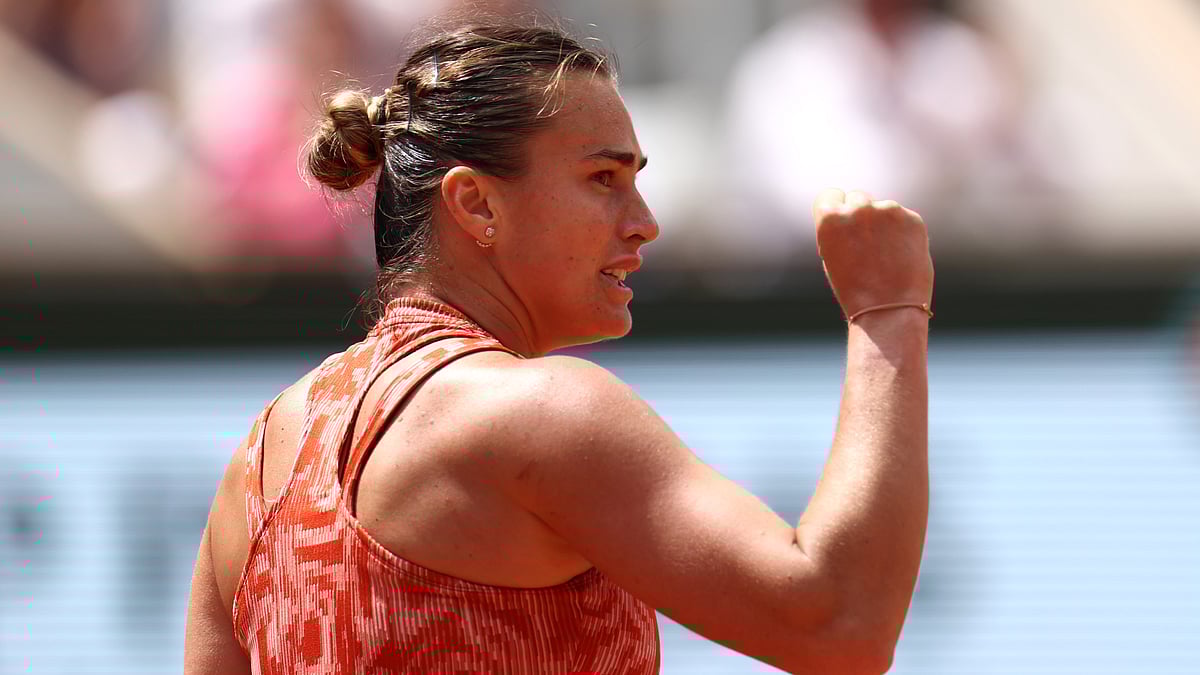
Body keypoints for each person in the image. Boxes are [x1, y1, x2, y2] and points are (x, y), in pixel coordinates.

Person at [183, 16, 934, 675]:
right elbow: (840, 624)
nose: (644, 222)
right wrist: (888, 312)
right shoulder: (539, 413)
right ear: (476, 203)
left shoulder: (257, 463)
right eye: (603, 178)